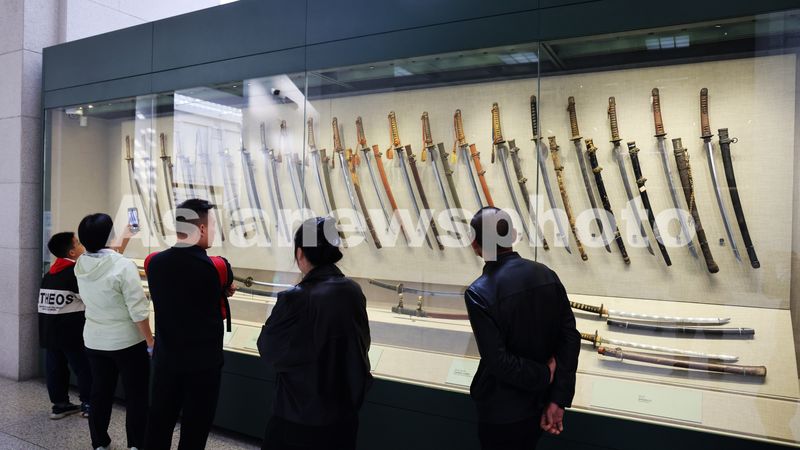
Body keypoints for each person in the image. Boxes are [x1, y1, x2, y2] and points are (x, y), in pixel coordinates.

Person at [464, 207, 580, 450]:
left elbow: (499, 362)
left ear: (474, 243)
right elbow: (569, 338)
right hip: (540, 404)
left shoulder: (479, 293)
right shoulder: (546, 275)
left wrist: (544, 375)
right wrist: (557, 399)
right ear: (513, 235)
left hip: (502, 412)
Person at [258, 217, 372, 450]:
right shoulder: (353, 291)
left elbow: (270, 351)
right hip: (343, 413)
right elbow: (362, 343)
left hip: (300, 416)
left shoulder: (296, 297)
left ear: (300, 253)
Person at [145, 198, 235, 450]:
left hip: (167, 359)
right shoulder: (217, 266)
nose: (214, 231)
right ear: (202, 229)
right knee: (195, 428)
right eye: (213, 225)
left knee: (159, 423)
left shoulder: (153, 262)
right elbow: (227, 284)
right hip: (203, 364)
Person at [75, 213, 153, 450]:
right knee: (136, 395)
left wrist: (126, 236)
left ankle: (99, 442)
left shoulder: (81, 263)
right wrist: (150, 341)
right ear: (109, 236)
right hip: (127, 342)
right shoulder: (124, 266)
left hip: (94, 341)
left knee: (100, 392)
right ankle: (136, 444)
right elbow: (138, 311)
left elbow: (106, 258)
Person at [39, 231, 92, 419]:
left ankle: (60, 405)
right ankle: (89, 404)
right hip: (71, 332)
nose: (82, 246)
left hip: (49, 331)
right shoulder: (74, 273)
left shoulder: (49, 274)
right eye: (78, 243)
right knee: (84, 367)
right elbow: (88, 298)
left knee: (55, 368)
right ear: (72, 252)